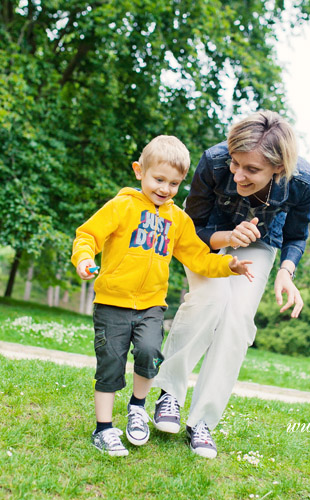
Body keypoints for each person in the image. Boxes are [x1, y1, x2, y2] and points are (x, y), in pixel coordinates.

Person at [71, 135, 254, 457]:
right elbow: (88, 235)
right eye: (159, 179)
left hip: (151, 305)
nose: (165, 189)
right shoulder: (122, 206)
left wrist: (229, 264)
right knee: (111, 363)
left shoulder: (178, 221)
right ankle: (103, 430)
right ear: (139, 170)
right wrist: (85, 259)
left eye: (174, 183)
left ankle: (138, 408)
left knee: (149, 352)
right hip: (112, 302)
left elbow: (198, 258)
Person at [152, 110, 310, 459]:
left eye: (252, 170)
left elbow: (296, 234)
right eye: (236, 163)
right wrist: (227, 236)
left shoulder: (304, 183)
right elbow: (192, 229)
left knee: (238, 317)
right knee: (211, 298)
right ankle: (169, 393)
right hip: (207, 235)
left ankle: (203, 422)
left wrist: (286, 272)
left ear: (279, 168)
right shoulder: (214, 162)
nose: (238, 174)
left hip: (260, 243)